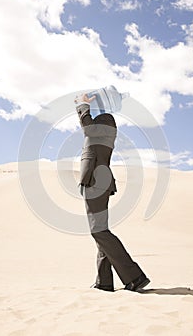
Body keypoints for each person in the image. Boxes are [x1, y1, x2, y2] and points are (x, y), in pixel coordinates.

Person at [75, 93, 150, 292]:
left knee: (98, 231)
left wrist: (83, 105)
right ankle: (104, 281)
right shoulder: (102, 122)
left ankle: (135, 277)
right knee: (100, 230)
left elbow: (88, 129)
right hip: (95, 180)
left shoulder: (107, 120)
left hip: (97, 180)